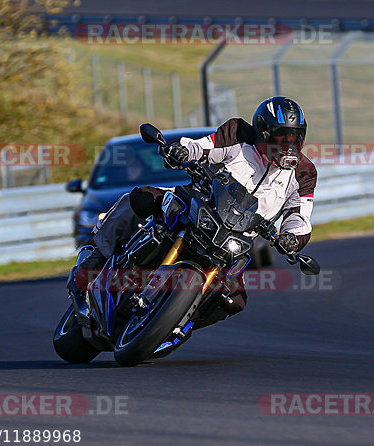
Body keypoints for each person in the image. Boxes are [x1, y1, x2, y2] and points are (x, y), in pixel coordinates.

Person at [67, 96, 317, 324]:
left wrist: (291, 238)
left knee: (235, 300)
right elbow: (204, 146)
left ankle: (176, 323)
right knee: (141, 197)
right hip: (203, 207)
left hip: (238, 237)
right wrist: (183, 151)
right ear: (262, 133)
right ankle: (97, 256)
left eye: (295, 138)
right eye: (281, 138)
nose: (288, 146)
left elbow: (300, 216)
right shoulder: (238, 135)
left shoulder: (304, 173)